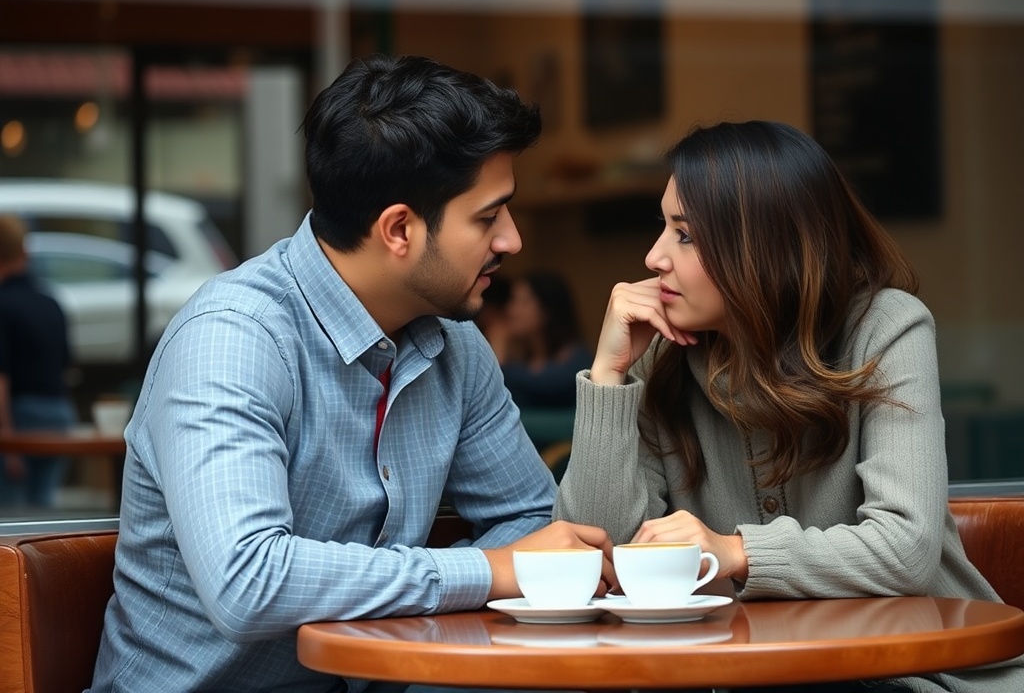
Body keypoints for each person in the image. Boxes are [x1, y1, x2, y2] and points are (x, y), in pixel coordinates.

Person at [87, 54, 612, 693]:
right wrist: (489, 572)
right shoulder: (233, 338)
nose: (512, 241)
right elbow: (247, 581)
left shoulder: (455, 342)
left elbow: (531, 517)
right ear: (399, 229)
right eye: (488, 216)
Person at [554, 120, 1024, 692]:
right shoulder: (659, 358)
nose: (654, 258)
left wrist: (734, 551)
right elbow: (596, 557)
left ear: (763, 245)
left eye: (685, 234)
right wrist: (609, 377)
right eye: (663, 227)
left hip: (914, 674)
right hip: (737, 671)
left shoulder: (886, 329)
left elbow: (906, 550)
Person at [0, 213, 77, 508]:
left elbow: (1, 378)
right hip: (59, 415)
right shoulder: (51, 301)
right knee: (43, 508)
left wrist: (8, 441)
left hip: (18, 418)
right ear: (24, 252)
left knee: (10, 514)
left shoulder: (2, 304)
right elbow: (66, 364)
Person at [495, 270, 592, 409]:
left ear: (548, 308)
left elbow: (549, 384)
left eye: (524, 302)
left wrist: (499, 346)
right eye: (513, 300)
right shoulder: (521, 357)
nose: (512, 310)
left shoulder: (577, 359)